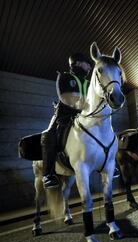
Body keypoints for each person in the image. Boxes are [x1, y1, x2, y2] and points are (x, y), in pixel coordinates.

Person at [41, 53, 92, 189]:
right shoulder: (64, 77)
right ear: (78, 63)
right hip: (64, 116)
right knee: (48, 136)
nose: (89, 67)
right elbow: (64, 97)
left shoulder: (89, 83)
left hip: (85, 117)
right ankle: (48, 175)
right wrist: (81, 108)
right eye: (87, 64)